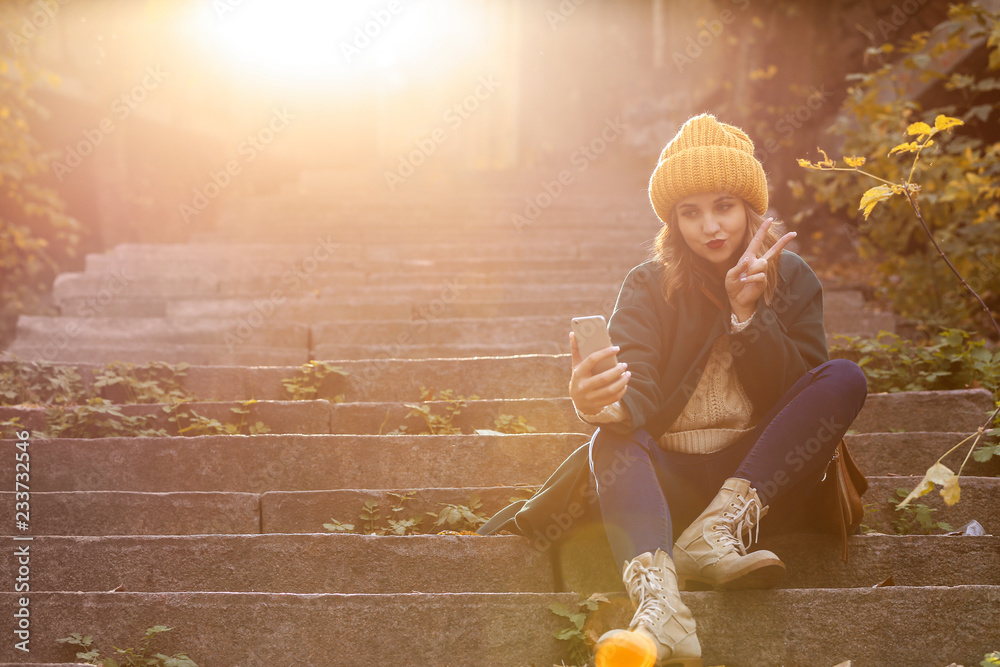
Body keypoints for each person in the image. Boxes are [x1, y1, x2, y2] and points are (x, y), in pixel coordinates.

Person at [477, 114, 869, 667]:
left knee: (845, 377)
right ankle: (660, 608)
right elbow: (636, 386)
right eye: (690, 212)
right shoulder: (648, 284)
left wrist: (747, 316)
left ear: (750, 208)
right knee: (613, 440)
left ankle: (718, 532)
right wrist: (603, 402)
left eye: (724, 206)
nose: (710, 226)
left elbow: (800, 398)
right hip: (669, 486)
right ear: (672, 220)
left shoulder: (794, 277)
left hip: (759, 488)